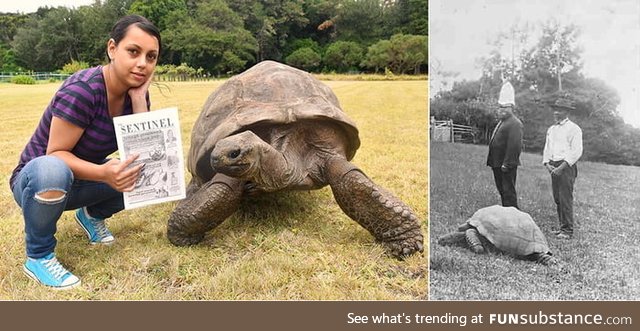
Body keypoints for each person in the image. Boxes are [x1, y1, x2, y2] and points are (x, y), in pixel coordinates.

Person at [9, 15, 161, 289]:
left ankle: (92, 216)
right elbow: (56, 153)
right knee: (52, 169)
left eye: (151, 57)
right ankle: (39, 255)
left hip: (82, 178)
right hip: (38, 182)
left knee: (142, 169)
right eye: (133, 52)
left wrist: (139, 101)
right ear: (112, 49)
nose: (142, 63)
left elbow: (145, 152)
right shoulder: (83, 90)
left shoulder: (135, 93)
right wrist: (104, 173)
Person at [542, 97, 583, 239]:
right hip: (553, 166)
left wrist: (562, 167)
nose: (555, 112)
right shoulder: (552, 129)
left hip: (566, 167)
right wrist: (547, 164)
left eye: (559, 110)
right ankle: (562, 227)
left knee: (565, 198)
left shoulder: (574, 129)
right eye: (555, 109)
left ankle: (567, 230)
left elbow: (576, 151)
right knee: (557, 198)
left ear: (567, 112)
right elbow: (547, 148)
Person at [486, 81, 523, 208]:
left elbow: (514, 146)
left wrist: (507, 164)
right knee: (502, 191)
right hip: (497, 163)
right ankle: (506, 214)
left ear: (511, 108)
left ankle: (513, 215)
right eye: (500, 107)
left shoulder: (515, 123)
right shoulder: (502, 122)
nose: (502, 110)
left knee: (508, 192)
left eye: (505, 107)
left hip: (505, 165)